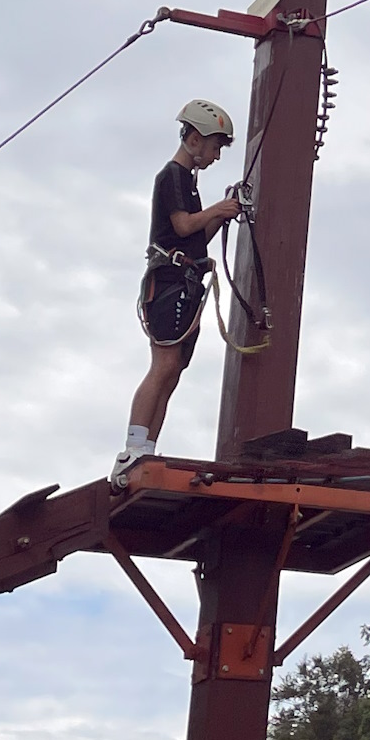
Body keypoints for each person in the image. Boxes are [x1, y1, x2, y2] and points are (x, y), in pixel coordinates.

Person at [112, 99, 242, 485]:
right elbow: (184, 226)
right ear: (195, 139)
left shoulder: (188, 182)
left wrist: (221, 213)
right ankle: (132, 448)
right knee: (164, 364)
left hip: (184, 278)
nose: (217, 155)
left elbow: (196, 237)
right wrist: (218, 208)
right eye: (216, 146)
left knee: (175, 370)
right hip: (168, 281)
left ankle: (146, 449)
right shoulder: (172, 176)